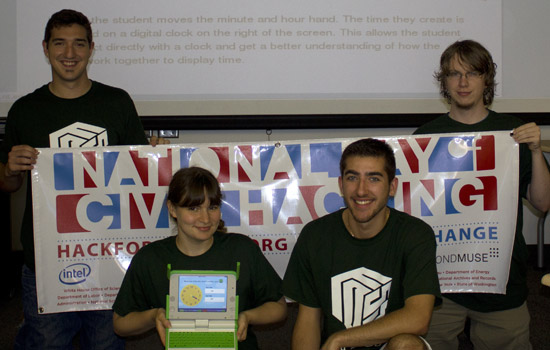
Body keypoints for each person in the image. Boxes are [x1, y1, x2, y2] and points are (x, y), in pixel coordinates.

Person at [0, 9, 167, 349]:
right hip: (45, 258)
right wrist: (9, 169)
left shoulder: (116, 102)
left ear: (92, 49)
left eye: (79, 44)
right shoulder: (24, 109)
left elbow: (138, 176)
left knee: (107, 342)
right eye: (60, 44)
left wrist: (155, 157)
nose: (69, 54)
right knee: (47, 342)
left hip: (109, 255)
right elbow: (9, 185)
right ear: (45, 48)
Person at [414, 39, 550, 350]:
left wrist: (536, 151)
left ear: (486, 78)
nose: (463, 83)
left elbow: (542, 203)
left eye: (472, 73)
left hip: (502, 281)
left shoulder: (513, 133)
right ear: (443, 81)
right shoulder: (424, 137)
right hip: (441, 284)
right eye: (453, 74)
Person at [283, 138, 442, 350]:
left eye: (374, 179)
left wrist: (340, 338)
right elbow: (308, 320)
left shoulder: (415, 234)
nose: (361, 190)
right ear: (341, 185)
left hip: (385, 346)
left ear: (392, 187)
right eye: (352, 178)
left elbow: (418, 318)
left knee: (406, 345)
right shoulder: (315, 236)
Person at [112, 166, 287, 349]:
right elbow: (120, 323)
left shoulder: (242, 250)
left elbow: (279, 307)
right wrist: (154, 316)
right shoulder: (151, 259)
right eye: (194, 208)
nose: (205, 218)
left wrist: (248, 316)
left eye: (212, 207)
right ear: (172, 209)